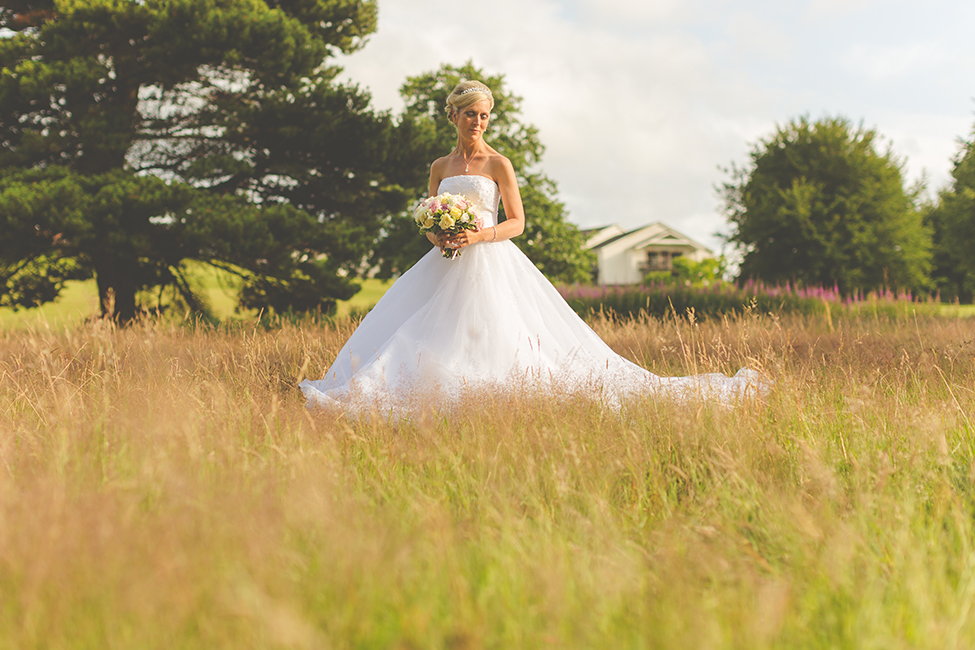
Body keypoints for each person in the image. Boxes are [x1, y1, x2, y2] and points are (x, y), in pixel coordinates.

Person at [299, 80, 763, 412]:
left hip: (490, 256)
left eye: (484, 115)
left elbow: (517, 222)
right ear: (454, 116)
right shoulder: (440, 165)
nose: (477, 122)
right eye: (470, 114)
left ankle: (499, 394)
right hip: (444, 259)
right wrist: (439, 235)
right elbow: (428, 217)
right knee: (417, 327)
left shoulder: (499, 164)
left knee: (498, 330)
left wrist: (476, 235)